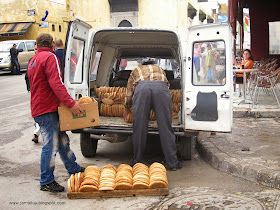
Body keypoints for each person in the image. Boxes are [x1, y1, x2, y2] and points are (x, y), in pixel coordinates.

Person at [27, 33, 85, 192]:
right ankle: (46, 181)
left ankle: (73, 168)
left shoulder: (33, 60)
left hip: (40, 107)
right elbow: (56, 83)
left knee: (62, 140)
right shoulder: (49, 58)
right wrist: (71, 103)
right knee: (51, 145)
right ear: (52, 45)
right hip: (46, 109)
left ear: (37, 46)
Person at [123, 57, 182, 171]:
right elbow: (167, 86)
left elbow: (129, 91)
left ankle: (137, 161)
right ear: (153, 64)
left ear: (142, 65)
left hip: (143, 88)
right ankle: (173, 163)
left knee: (139, 126)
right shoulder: (160, 69)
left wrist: (127, 108)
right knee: (165, 126)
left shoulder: (136, 70)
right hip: (161, 88)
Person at [25, 43, 40, 143]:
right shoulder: (31, 61)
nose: (36, 51)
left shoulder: (45, 60)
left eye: (37, 49)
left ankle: (36, 133)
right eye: (35, 49)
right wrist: (29, 88)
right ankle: (36, 133)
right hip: (35, 93)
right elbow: (27, 76)